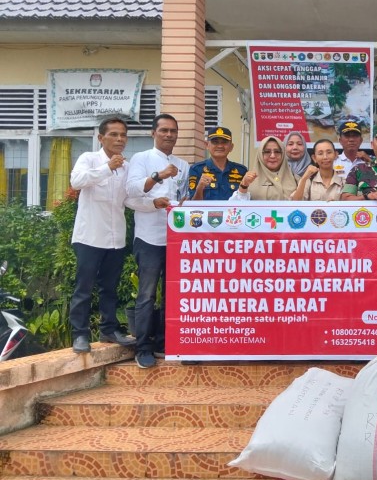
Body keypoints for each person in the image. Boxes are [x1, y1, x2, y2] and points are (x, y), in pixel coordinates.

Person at [68, 118, 143, 353]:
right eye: (113, 134)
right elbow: (77, 181)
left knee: (109, 288)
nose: (119, 139)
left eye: (123, 135)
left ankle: (109, 329)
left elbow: (129, 199)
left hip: (115, 237)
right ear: (101, 138)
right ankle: (80, 335)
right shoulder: (89, 159)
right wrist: (107, 167)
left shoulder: (128, 166)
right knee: (84, 287)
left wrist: (156, 203)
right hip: (89, 236)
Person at [126, 114, 189, 369]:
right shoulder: (141, 159)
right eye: (164, 130)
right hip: (149, 237)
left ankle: (166, 342)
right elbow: (131, 193)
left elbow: (184, 198)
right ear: (154, 133)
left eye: (173, 131)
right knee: (146, 295)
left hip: (175, 239)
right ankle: (143, 347)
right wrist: (159, 176)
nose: (169, 135)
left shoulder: (183, 164)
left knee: (173, 294)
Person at [188, 126, 248, 201]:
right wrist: (200, 188)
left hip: (233, 212)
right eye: (215, 142)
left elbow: (245, 200)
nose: (220, 146)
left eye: (224, 142)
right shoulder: (197, 169)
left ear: (231, 147)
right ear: (207, 145)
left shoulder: (241, 171)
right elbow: (192, 205)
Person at [235, 136, 298, 201]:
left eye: (277, 152)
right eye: (267, 152)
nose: (273, 156)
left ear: (283, 154)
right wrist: (244, 186)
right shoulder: (249, 178)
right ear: (260, 154)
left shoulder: (296, 179)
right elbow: (236, 207)